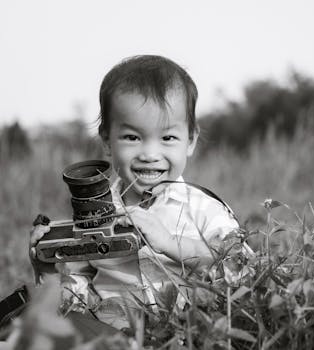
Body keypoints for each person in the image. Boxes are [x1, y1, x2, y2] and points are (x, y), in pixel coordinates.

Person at [28, 55, 241, 329]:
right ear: (107, 141)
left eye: (168, 138)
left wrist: (169, 243)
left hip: (186, 333)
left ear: (190, 141)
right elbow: (74, 302)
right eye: (132, 137)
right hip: (111, 338)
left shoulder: (203, 209)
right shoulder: (94, 215)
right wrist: (47, 267)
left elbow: (240, 267)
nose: (150, 154)